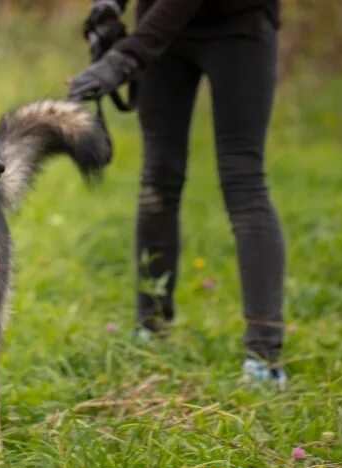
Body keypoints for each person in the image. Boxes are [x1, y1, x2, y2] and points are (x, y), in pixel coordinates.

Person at [68, 0, 287, 388]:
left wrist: (124, 60)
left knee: (243, 179)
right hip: (162, 35)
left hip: (240, 27)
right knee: (158, 178)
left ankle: (264, 354)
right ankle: (150, 326)